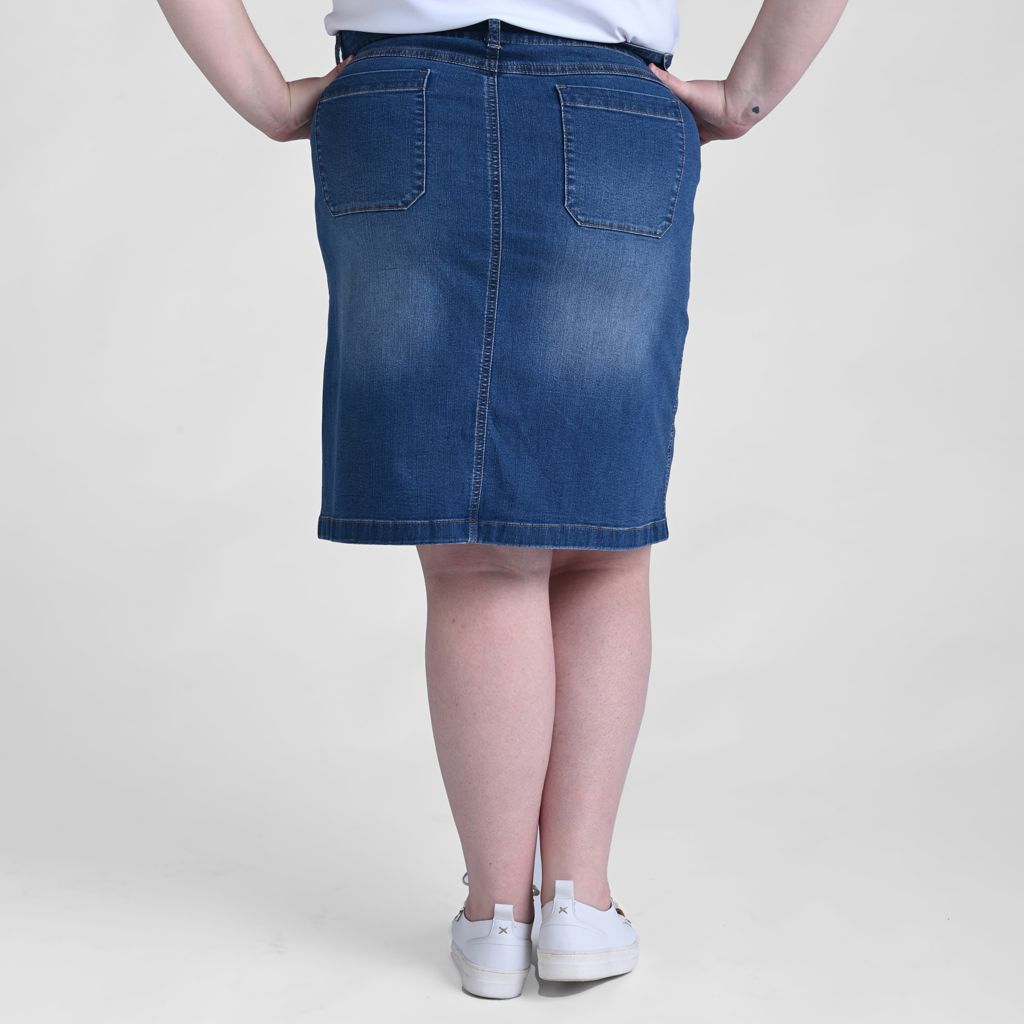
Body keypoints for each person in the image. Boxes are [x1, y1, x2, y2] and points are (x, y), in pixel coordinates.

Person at [156, 0, 850, 999]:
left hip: (397, 106)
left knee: (473, 549)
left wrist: (266, 97)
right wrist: (748, 95)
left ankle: (494, 918)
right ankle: (578, 903)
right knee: (602, 535)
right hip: (607, 107)